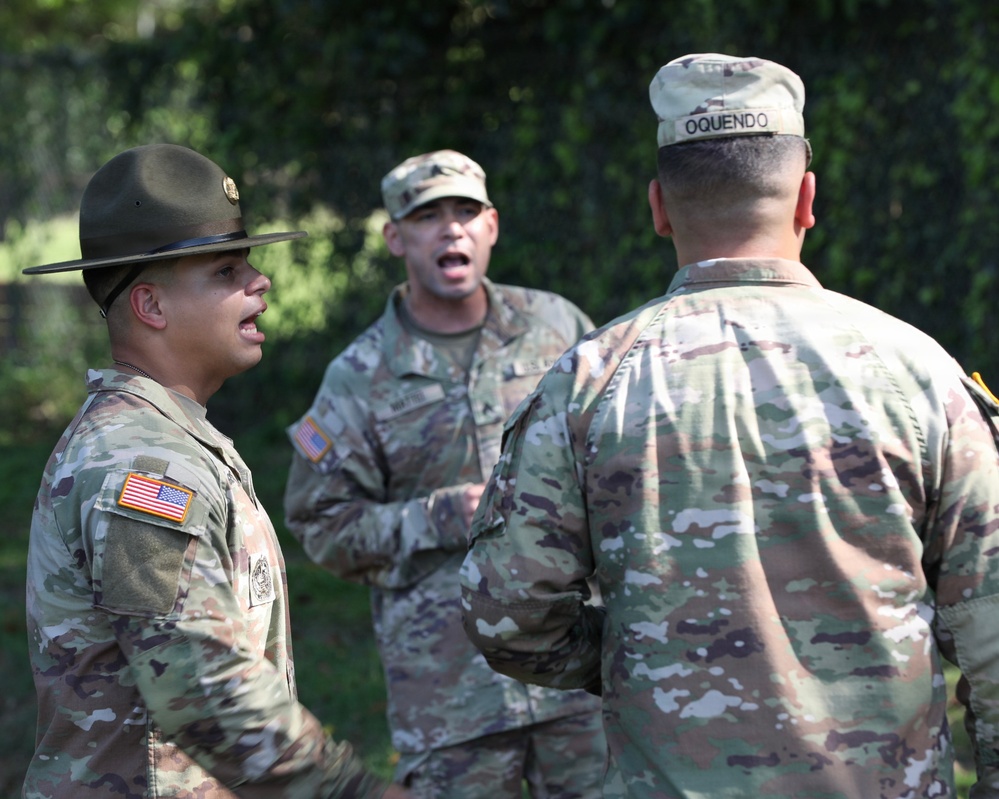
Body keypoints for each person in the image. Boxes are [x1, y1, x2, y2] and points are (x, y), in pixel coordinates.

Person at [459, 53, 999, 798]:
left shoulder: (587, 381)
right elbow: (991, 622)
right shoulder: (918, 373)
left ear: (657, 207)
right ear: (806, 198)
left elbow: (507, 613)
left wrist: (634, 657)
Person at [21, 144, 410, 799]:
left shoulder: (167, 438)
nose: (259, 282)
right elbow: (200, 684)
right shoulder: (141, 462)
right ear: (150, 306)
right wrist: (352, 791)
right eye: (228, 269)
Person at [284, 149, 606, 798]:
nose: (450, 228)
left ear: (491, 226)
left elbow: (613, 466)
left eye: (465, 212)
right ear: (395, 237)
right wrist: (434, 517)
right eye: (427, 216)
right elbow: (321, 523)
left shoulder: (557, 328)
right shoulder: (360, 373)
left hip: (578, 677)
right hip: (451, 700)